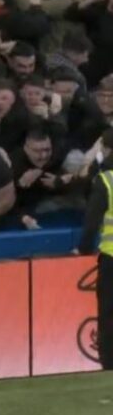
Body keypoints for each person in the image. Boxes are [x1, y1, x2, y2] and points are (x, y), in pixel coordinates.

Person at [76, 127, 113, 369]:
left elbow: (91, 223)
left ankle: (109, 366)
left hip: (112, 259)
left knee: (109, 316)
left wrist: (83, 249)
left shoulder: (106, 180)